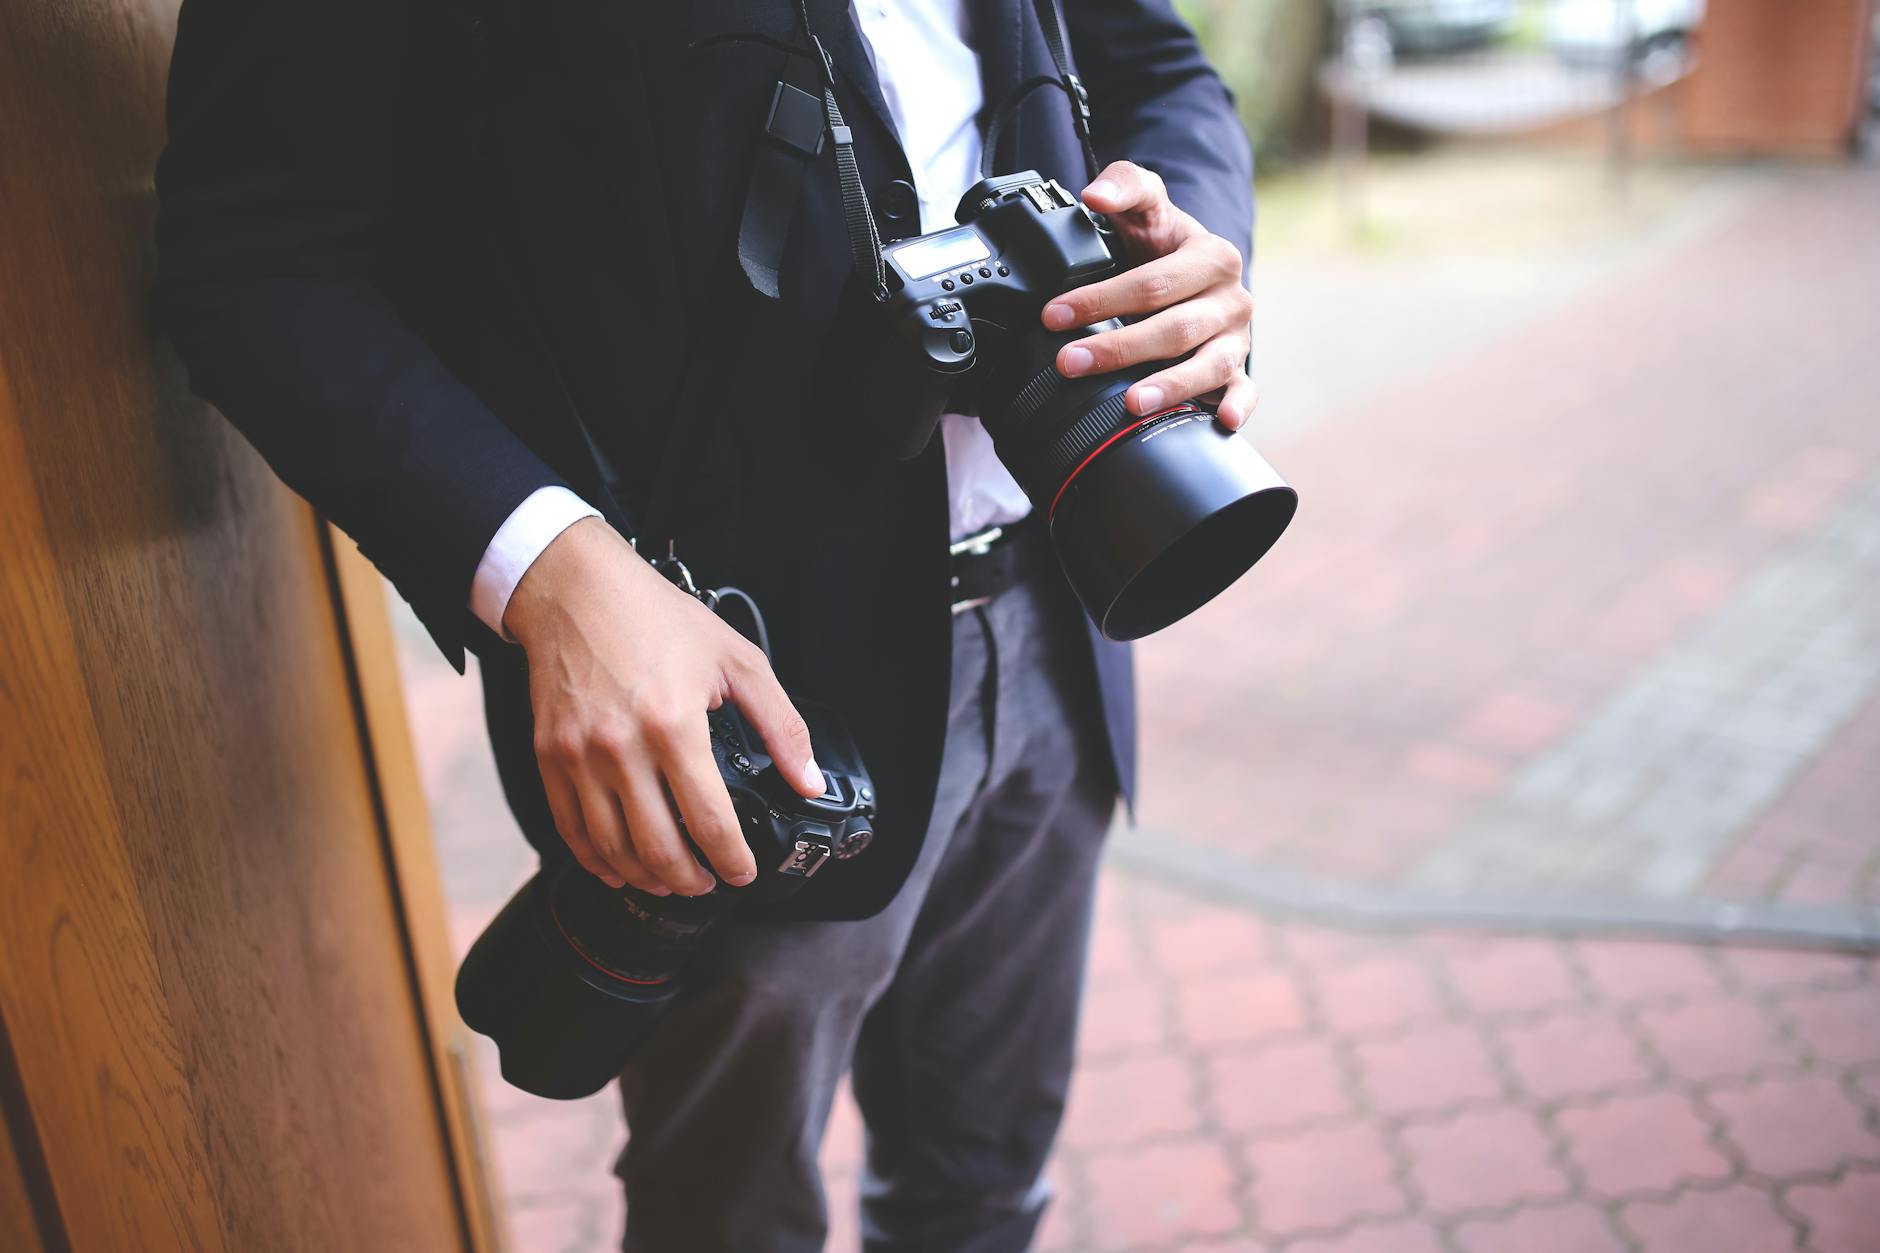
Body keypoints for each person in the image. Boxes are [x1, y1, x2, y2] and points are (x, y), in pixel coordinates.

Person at [154, 1, 1254, 1248]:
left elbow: (1154, 64)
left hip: (1065, 606)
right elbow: (255, 257)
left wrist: (1195, 255)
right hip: (736, 704)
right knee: (729, 1224)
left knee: (983, 1192)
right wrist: (549, 569)